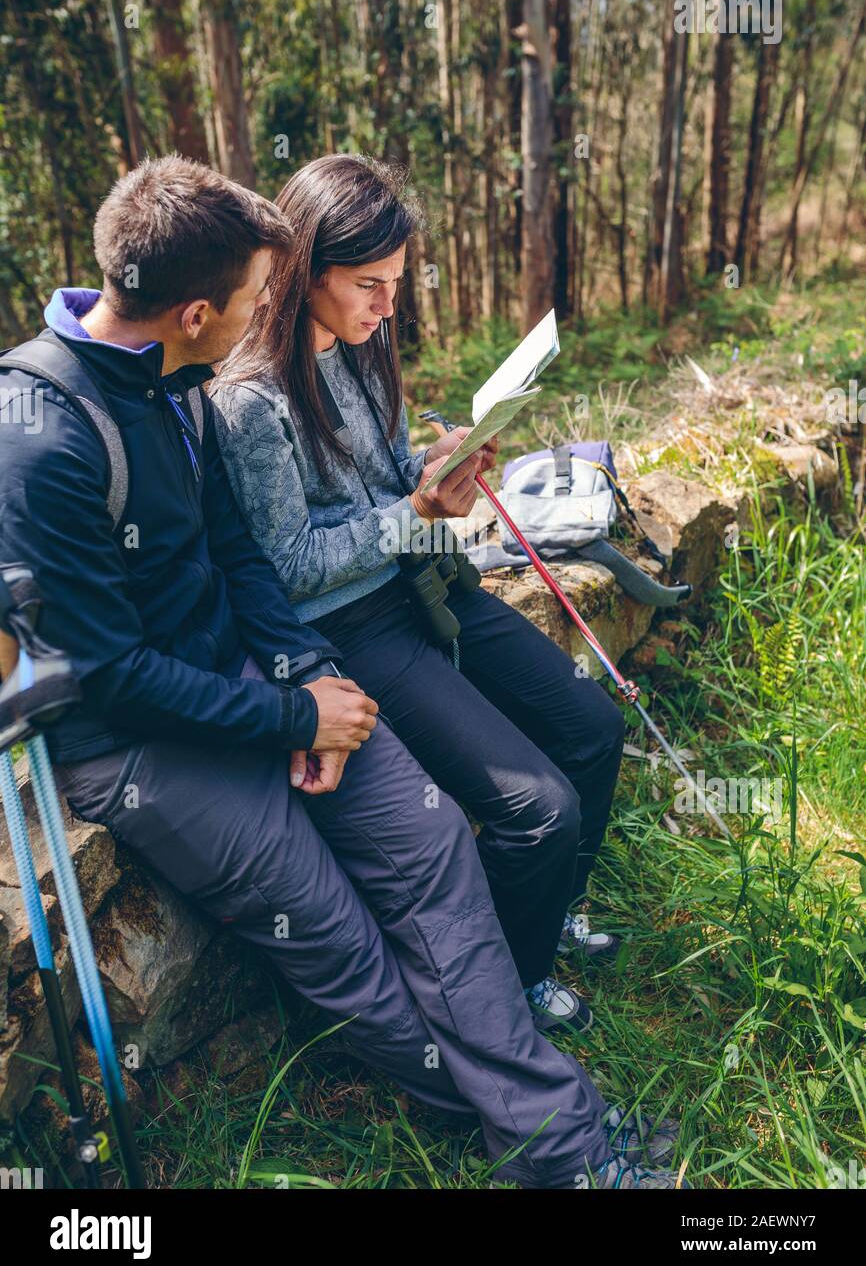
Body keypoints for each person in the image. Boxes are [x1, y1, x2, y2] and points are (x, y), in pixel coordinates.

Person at [0, 155, 684, 1189]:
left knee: (433, 853)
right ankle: (550, 1140)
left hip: (253, 676)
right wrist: (287, 717)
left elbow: (240, 562)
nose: (259, 322)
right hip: (136, 744)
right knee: (340, 937)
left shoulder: (174, 376)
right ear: (192, 311)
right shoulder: (44, 438)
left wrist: (311, 682)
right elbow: (110, 678)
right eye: (248, 302)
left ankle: (555, 1140)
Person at [211, 154, 626, 1031]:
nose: (388, 305)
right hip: (352, 628)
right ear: (304, 270)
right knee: (536, 808)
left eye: (396, 283)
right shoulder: (252, 401)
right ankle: (510, 995)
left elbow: (389, 474)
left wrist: (439, 465)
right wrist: (414, 510)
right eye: (370, 284)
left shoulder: (366, 349)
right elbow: (287, 566)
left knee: (594, 728)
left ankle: (549, 913)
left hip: (423, 584)